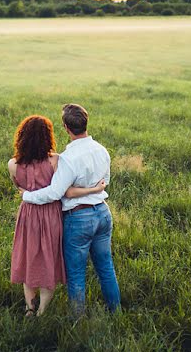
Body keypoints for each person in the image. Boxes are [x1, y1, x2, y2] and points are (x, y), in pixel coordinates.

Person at [20, 104, 121, 315]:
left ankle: (78, 321)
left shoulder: (68, 158)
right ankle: (116, 312)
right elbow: (106, 181)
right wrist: (91, 189)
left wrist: (26, 195)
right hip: (102, 212)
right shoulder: (102, 150)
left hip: (79, 219)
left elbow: (55, 193)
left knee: (76, 274)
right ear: (86, 123)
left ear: (66, 128)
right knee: (106, 267)